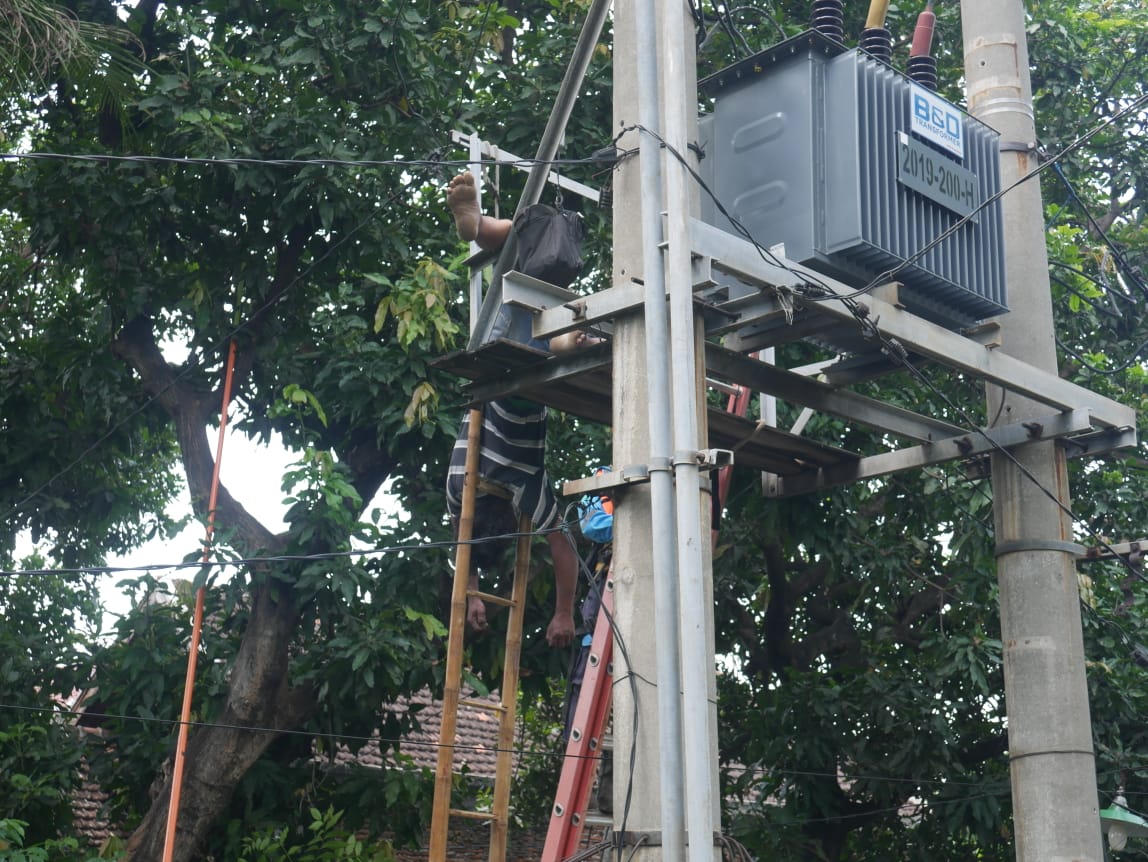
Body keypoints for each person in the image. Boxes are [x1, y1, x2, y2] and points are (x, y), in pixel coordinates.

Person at [444, 171, 594, 648]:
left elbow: (563, 544)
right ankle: (480, 226)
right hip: (495, 361)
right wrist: (469, 596)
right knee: (532, 238)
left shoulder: (523, 493)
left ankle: (567, 339)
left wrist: (564, 613)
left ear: (509, 525)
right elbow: (459, 537)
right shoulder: (457, 487)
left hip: (529, 374)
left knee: (551, 247)